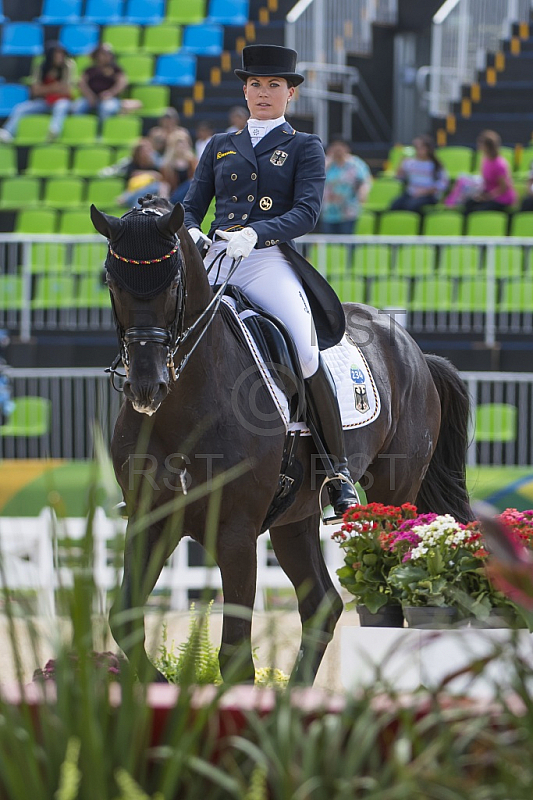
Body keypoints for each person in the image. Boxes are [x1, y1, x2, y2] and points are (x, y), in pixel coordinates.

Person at [184, 43, 359, 521]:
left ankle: (337, 470)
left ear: (290, 94)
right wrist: (196, 231)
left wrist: (257, 233)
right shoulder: (220, 143)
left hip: (266, 261)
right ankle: (166, 464)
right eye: (256, 85)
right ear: (244, 89)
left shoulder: (305, 146)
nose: (263, 93)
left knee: (304, 350)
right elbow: (191, 204)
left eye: (274, 85)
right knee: (172, 339)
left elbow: (307, 212)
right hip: (217, 259)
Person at [0, 42, 75, 142]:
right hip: (45, 101)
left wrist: (45, 89)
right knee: (21, 108)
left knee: (61, 106)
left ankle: (54, 130)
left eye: (62, 54)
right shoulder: (41, 67)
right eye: (57, 54)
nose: (60, 57)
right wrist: (54, 87)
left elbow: (67, 90)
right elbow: (35, 91)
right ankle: (8, 131)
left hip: (61, 100)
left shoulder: (68, 66)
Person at [321, 138, 372, 234]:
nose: (338, 150)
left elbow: (364, 182)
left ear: (347, 149)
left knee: (347, 242)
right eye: (335, 147)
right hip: (328, 211)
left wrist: (363, 194)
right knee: (330, 245)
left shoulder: (356, 164)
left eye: (341, 147)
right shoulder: (325, 163)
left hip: (348, 211)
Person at [71, 43, 128, 130]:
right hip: (90, 98)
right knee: (77, 107)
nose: (105, 56)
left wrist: (110, 93)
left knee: (106, 109)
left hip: (109, 98)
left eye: (108, 54)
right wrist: (89, 95)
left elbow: (122, 83)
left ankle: (101, 131)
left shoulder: (116, 69)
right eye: (102, 54)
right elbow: (82, 83)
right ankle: (79, 130)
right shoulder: (90, 69)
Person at [390, 134, 448, 213]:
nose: (418, 150)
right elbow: (399, 177)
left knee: (411, 206)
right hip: (411, 193)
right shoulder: (410, 162)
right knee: (395, 205)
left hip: (428, 195)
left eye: (421, 147)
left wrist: (425, 191)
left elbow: (443, 183)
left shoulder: (435, 165)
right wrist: (401, 163)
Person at [464, 130, 517, 214]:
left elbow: (503, 188)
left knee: (479, 211)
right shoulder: (485, 160)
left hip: (501, 198)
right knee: (469, 204)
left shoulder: (499, 164)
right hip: (488, 195)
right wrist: (480, 195)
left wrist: (488, 197)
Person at [115, 138, 169, 208]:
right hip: (136, 189)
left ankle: (128, 198)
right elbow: (133, 175)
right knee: (140, 196)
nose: (147, 153)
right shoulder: (132, 163)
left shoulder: (154, 164)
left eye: (148, 150)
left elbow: (160, 178)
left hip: (152, 193)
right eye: (144, 151)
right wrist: (151, 174)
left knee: (155, 186)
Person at [160, 128, 197, 204]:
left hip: (190, 196)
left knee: (191, 182)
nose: (181, 147)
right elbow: (164, 186)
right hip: (175, 197)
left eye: (184, 144)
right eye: (178, 145)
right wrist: (163, 201)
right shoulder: (167, 166)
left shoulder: (192, 162)